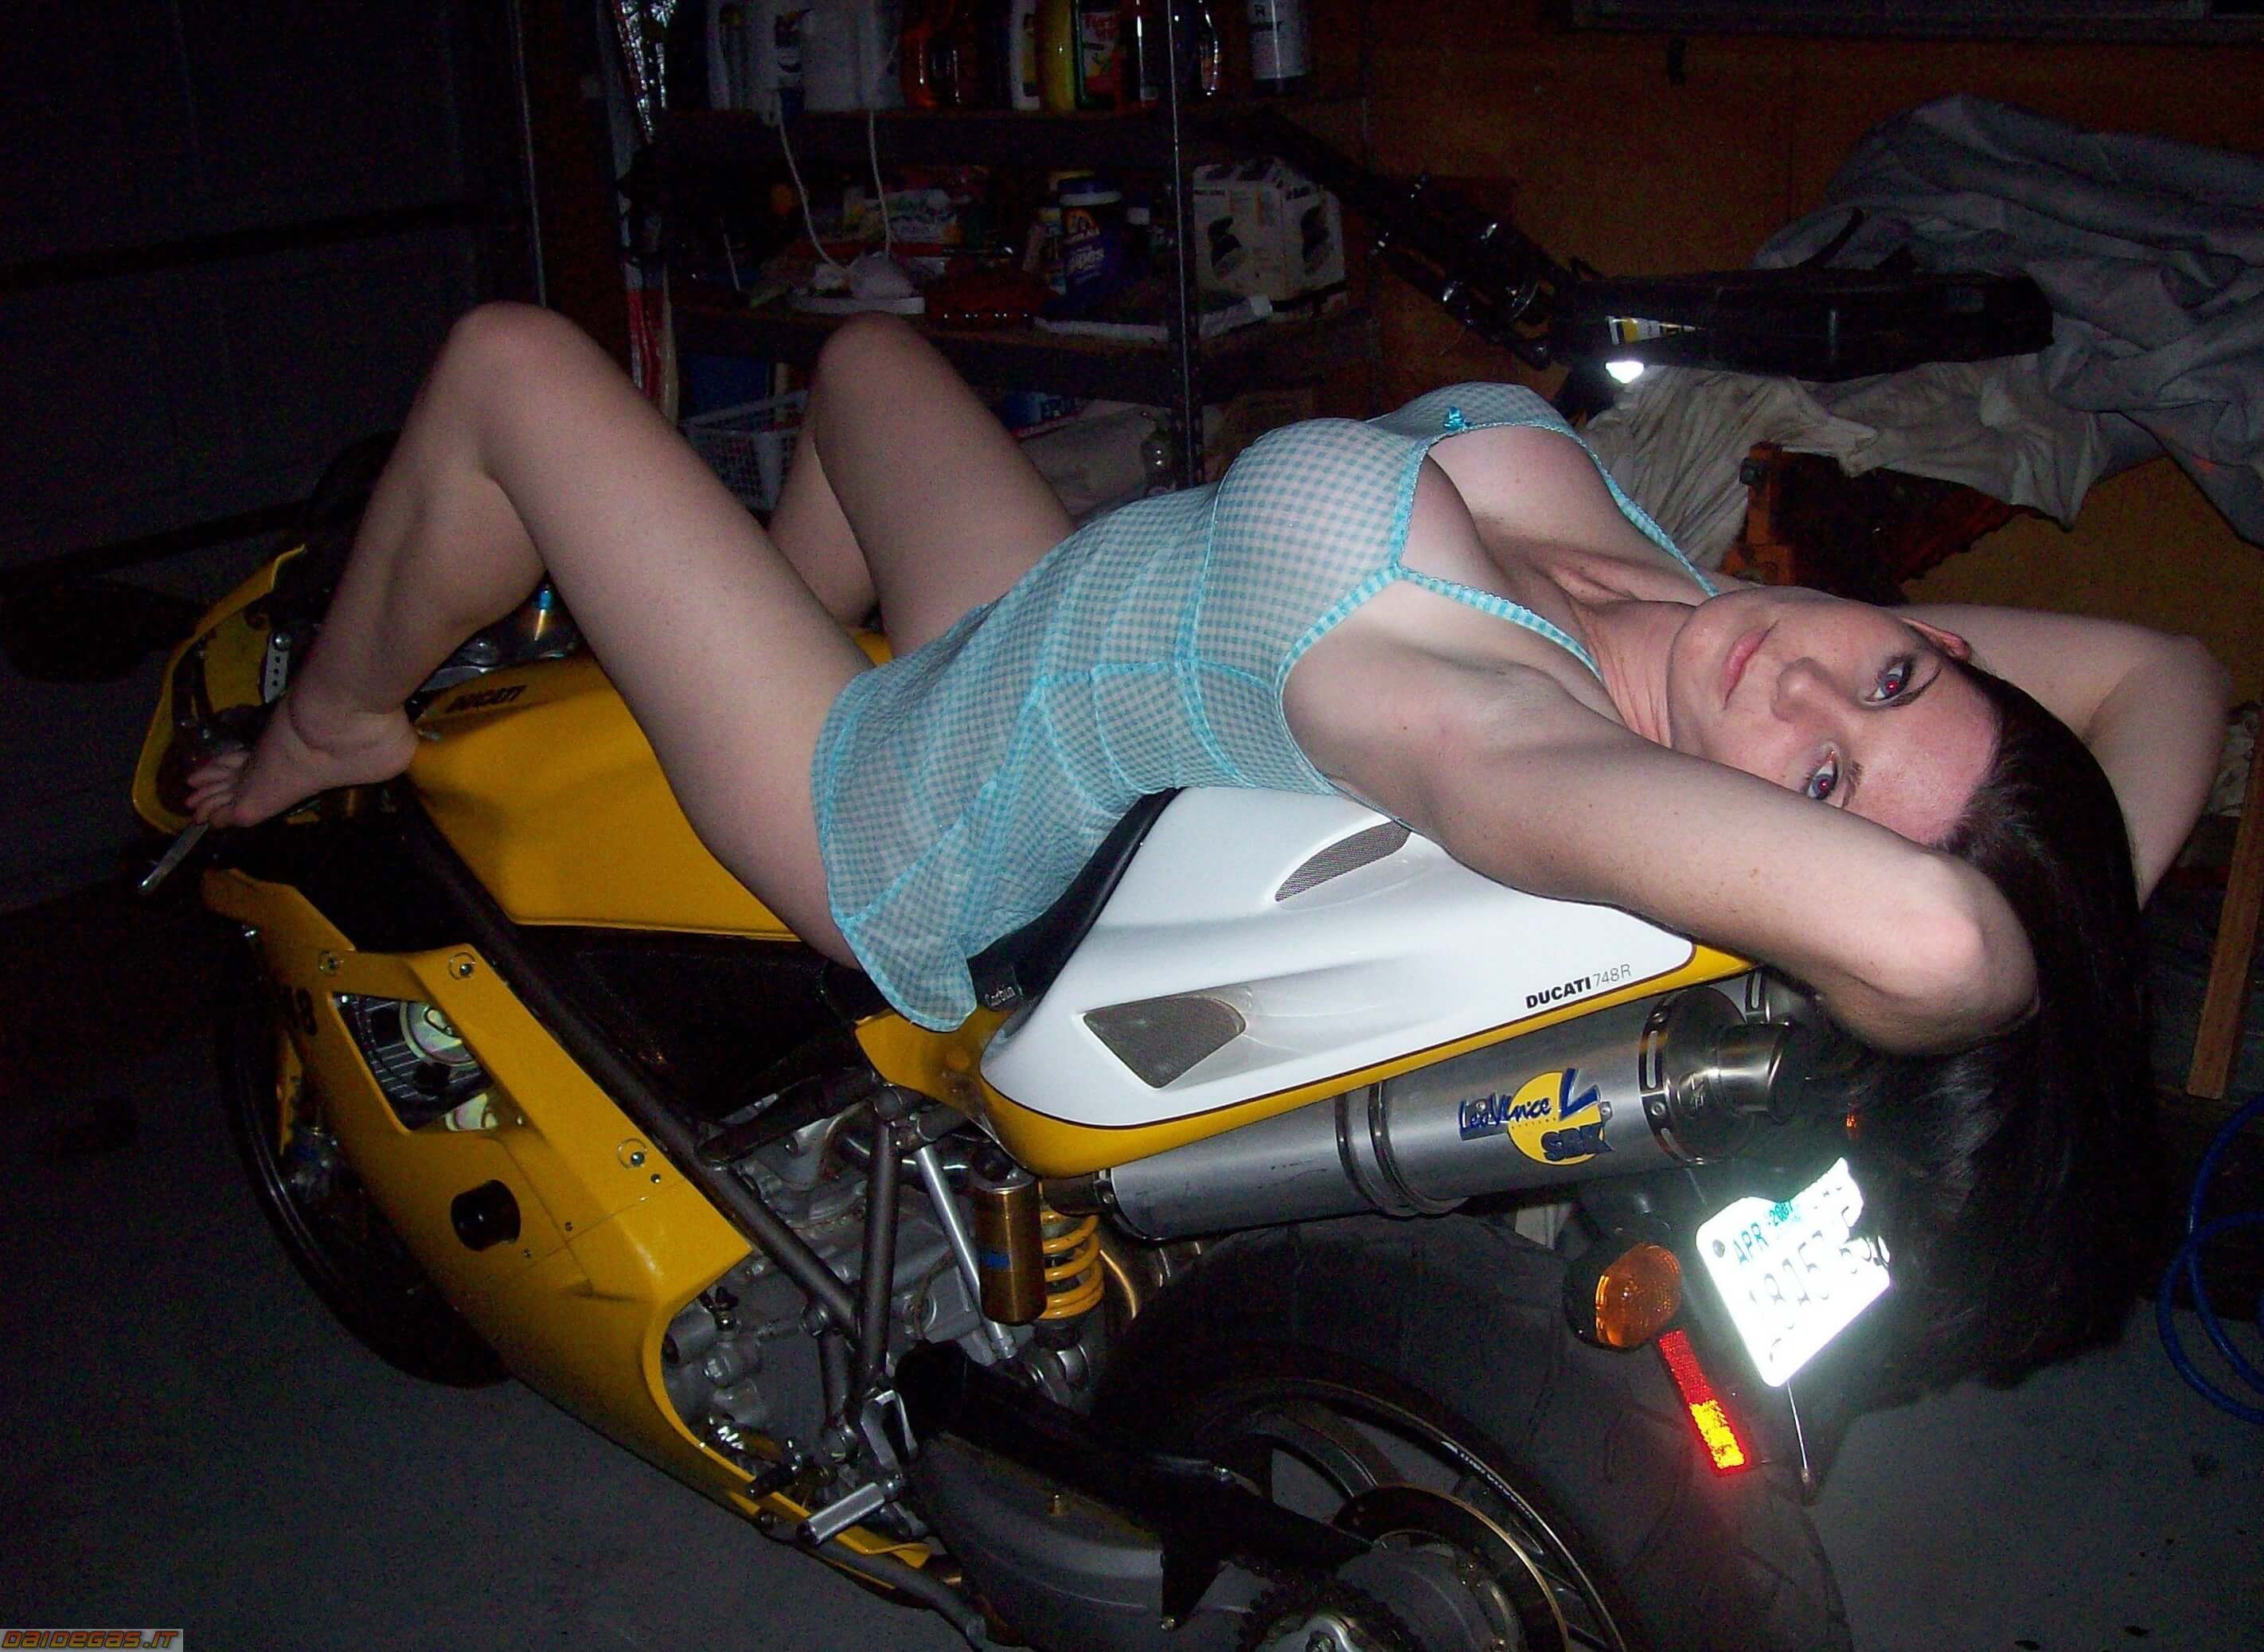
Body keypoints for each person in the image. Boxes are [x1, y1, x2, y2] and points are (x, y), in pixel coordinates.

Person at [188, 304, 2228, 1388]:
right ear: (1942, 641)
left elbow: (1945, 953)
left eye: (1817, 793)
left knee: (511, 367)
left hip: (909, 809)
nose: (1804, 688)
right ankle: (693, 692)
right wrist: (2039, 891)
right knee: (867, 358)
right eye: (1893, 680)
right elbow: (2169, 672)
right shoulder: (1717, 617)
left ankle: (336, 720)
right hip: (1050, 641)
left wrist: (2016, 993)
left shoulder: (1505, 737)